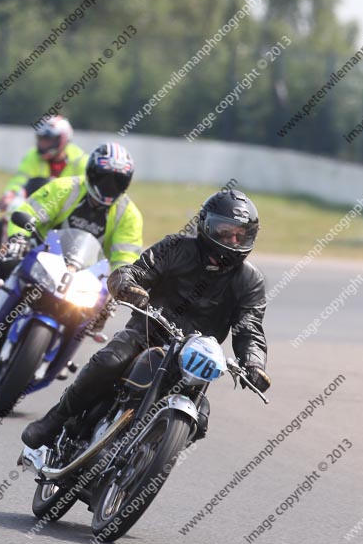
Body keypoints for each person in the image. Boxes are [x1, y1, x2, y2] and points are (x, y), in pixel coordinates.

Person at [21, 188, 271, 449]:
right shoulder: (175, 248)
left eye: (240, 234)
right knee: (109, 361)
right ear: (206, 225)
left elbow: (250, 327)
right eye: (225, 230)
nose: (232, 239)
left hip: (195, 358)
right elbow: (135, 271)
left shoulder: (250, 281)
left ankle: (148, 458)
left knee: (201, 419)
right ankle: (56, 420)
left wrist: (254, 363)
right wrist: (128, 285)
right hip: (148, 335)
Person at [0, 143, 143, 330]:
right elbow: (27, 211)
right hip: (43, 254)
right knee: (8, 261)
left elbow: (126, 257)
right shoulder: (64, 188)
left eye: (117, 181)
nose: (109, 187)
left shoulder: (129, 215)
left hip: (88, 274)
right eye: (104, 179)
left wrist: (120, 283)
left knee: (97, 317)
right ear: (92, 173)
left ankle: (68, 352)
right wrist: (19, 239)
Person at [0, 116, 88, 251]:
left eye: (48, 139)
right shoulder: (33, 156)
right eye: (41, 139)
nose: (43, 144)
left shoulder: (81, 161)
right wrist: (9, 196)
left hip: (67, 216)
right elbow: (20, 180)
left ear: (62, 139)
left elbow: (88, 190)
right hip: (37, 209)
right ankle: (7, 263)